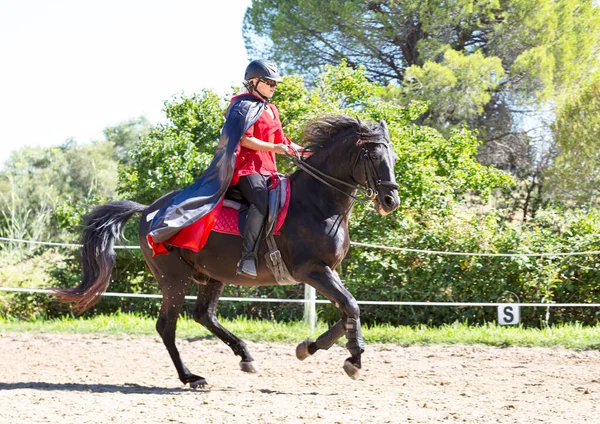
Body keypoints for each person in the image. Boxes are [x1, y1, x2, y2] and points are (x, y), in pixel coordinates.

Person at [232, 59, 306, 278]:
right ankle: (247, 257)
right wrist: (276, 147)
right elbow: (245, 140)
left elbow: (283, 140)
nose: (273, 87)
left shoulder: (271, 109)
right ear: (253, 82)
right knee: (260, 199)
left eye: (275, 84)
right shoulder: (241, 105)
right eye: (269, 83)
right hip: (247, 170)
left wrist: (309, 152)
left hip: (269, 171)